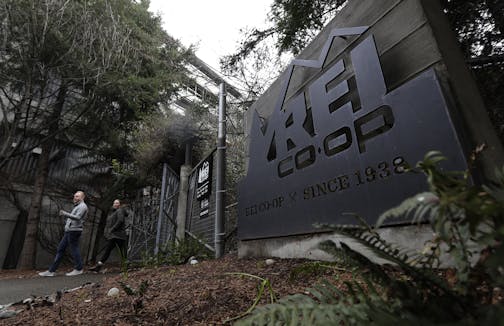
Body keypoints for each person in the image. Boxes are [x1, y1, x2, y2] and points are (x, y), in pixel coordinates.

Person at [39, 191, 88, 277]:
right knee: (61, 249)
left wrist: (65, 214)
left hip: (74, 231)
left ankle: (79, 269)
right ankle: (51, 271)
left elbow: (78, 218)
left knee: (73, 249)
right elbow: (73, 219)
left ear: (82, 197)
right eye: (74, 196)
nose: (75, 198)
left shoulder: (82, 206)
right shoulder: (78, 206)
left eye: (77, 196)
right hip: (70, 230)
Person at [90, 199, 127, 272]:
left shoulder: (120, 210)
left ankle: (124, 266)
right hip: (115, 235)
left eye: (117, 203)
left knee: (119, 251)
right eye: (114, 203)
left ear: (120, 204)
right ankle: (99, 265)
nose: (115, 204)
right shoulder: (115, 212)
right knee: (110, 250)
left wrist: (112, 229)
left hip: (118, 235)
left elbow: (120, 220)